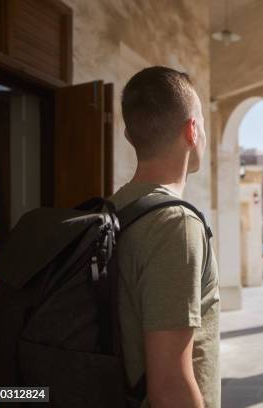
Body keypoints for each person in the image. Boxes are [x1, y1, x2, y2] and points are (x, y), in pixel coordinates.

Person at [109, 66, 220, 408]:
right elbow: (170, 386)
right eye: (201, 123)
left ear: (129, 136)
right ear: (192, 130)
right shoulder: (175, 225)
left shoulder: (111, 208)